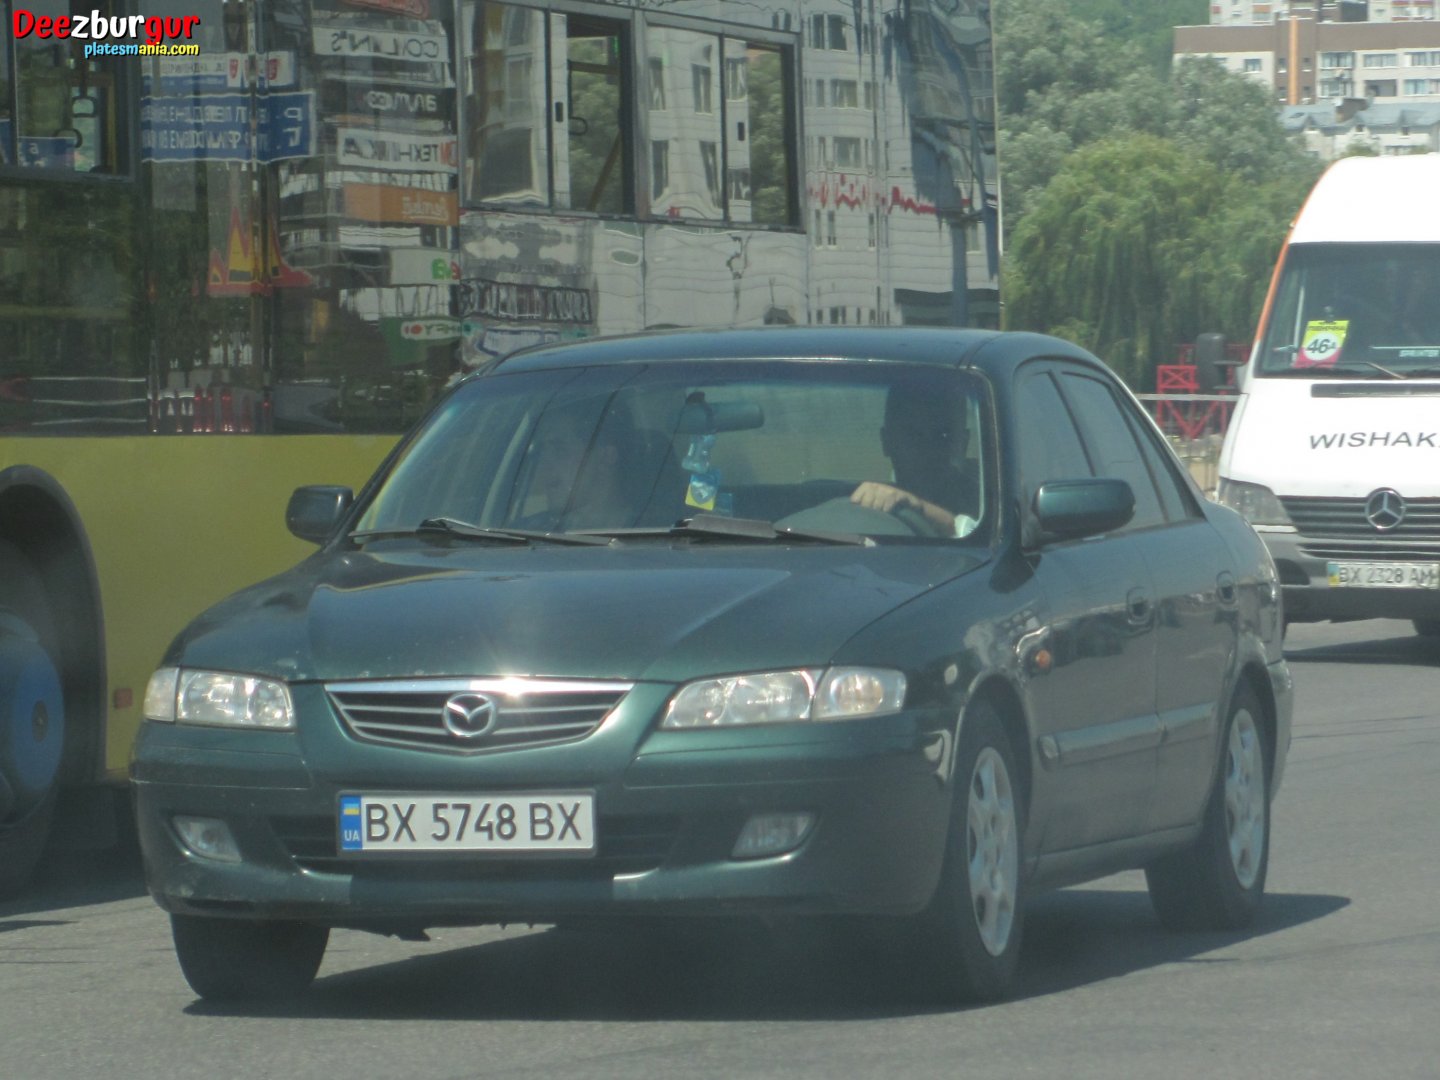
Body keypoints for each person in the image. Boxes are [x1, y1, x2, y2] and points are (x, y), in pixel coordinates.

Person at [851, 381, 978, 536]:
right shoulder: (859, 505)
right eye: (912, 435)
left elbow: (981, 537)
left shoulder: (990, 503)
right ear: (887, 442)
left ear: (963, 444)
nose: (928, 449)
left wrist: (920, 508)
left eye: (942, 436)